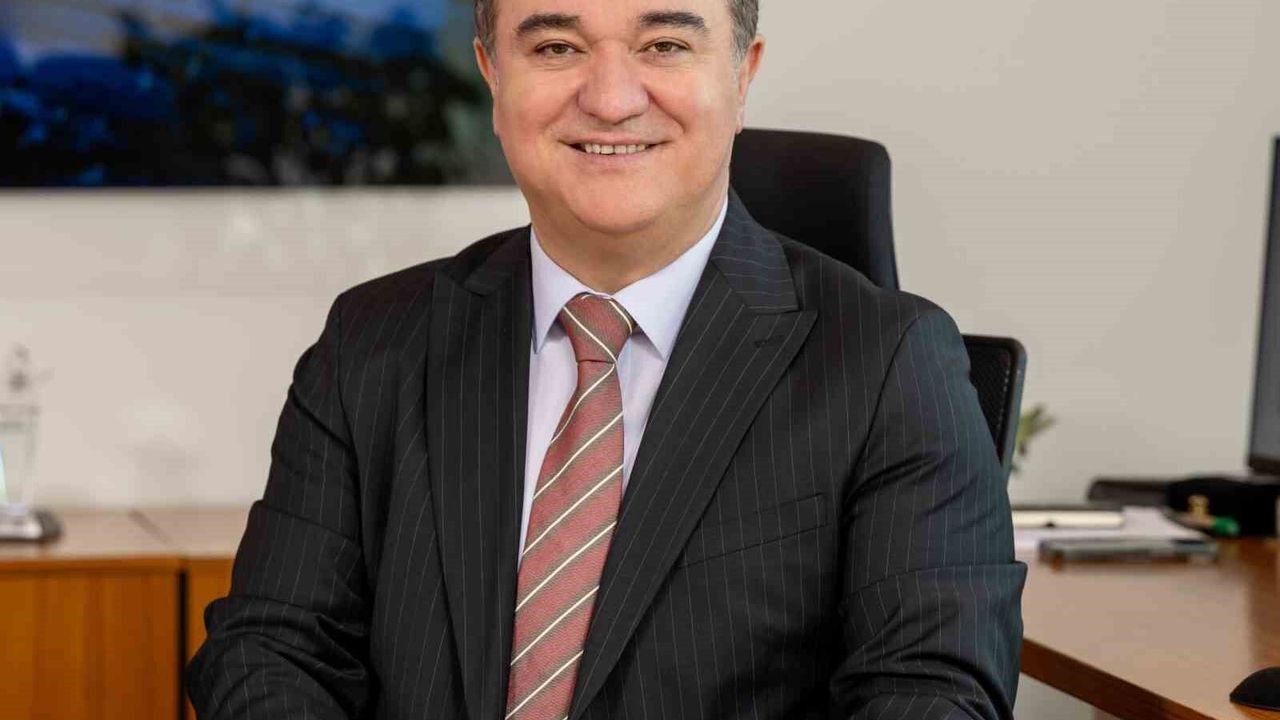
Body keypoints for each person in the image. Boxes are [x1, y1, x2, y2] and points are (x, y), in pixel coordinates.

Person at [185, 0, 1026, 717]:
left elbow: (930, 693)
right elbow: (270, 650)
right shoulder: (370, 343)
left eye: (664, 44)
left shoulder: (889, 366)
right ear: (492, 77)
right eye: (557, 48)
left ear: (742, 76)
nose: (612, 98)